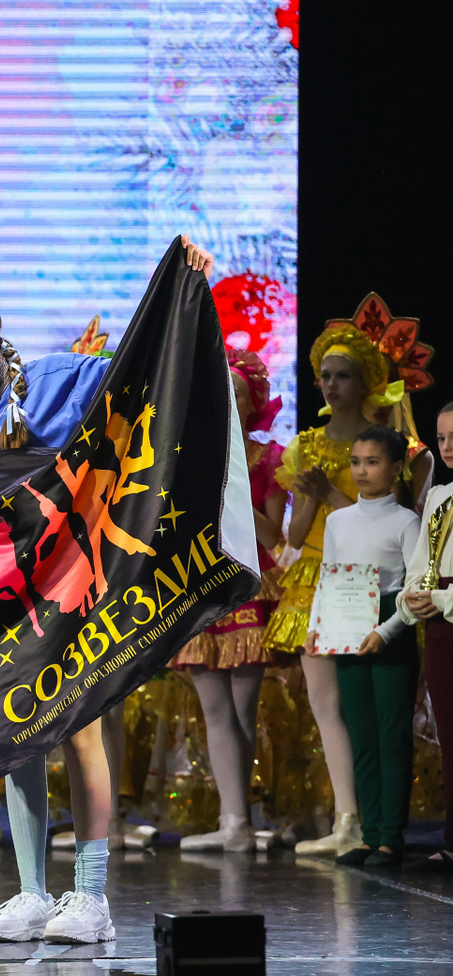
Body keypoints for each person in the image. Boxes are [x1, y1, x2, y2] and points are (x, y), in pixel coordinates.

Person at [0, 239, 213, 947]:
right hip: (7, 597)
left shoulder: (56, 377)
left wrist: (183, 290)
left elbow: (141, 371)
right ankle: (32, 892)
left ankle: (91, 895)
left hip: (73, 581)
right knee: (18, 738)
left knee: (79, 727)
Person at [271, 317, 430, 856]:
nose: (331, 384)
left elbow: (392, 536)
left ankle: (381, 830)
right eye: (325, 375)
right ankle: (352, 821)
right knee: (341, 714)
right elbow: (303, 541)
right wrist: (312, 496)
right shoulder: (310, 453)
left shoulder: (393, 472)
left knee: (382, 722)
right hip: (331, 595)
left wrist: (329, 493)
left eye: (343, 375)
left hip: (382, 599)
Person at [173, 349, 287, 853]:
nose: (229, 401)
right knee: (214, 710)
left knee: (243, 709)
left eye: (237, 393)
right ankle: (233, 820)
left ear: (252, 400)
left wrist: (232, 484)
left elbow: (273, 535)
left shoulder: (269, 459)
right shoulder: (191, 455)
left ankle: (244, 818)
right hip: (201, 583)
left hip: (248, 584)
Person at [324, 426, 423, 867]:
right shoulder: (337, 520)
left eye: (373, 462)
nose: (362, 471)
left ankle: (389, 838)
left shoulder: (406, 522)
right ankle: (368, 835)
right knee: (362, 734)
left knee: (391, 734)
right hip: (346, 625)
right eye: (356, 462)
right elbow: (328, 577)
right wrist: (319, 627)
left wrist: (387, 630)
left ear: (397, 468)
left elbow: (414, 588)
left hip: (389, 627)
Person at [402, 401, 453, 871]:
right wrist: (412, 597)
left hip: (447, 606)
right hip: (439, 624)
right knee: (448, 732)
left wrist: (441, 599)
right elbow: (423, 561)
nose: (448, 446)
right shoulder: (439, 497)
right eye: (441, 438)